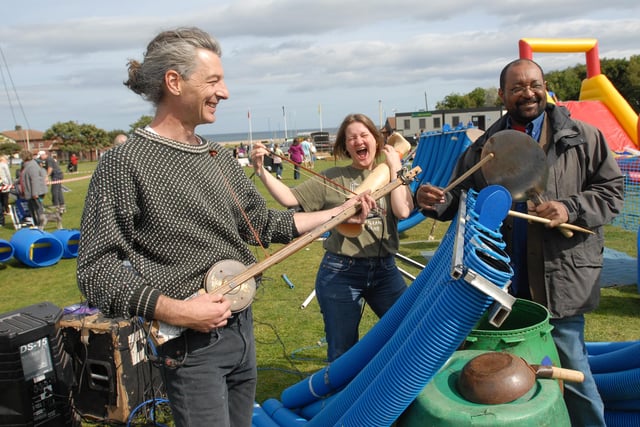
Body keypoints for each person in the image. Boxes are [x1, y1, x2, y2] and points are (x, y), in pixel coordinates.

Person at [76, 27, 374, 427]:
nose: (225, 92)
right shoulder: (123, 163)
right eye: (213, 80)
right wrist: (180, 311)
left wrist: (340, 213)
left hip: (242, 332)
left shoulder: (217, 157)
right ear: (174, 82)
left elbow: (265, 225)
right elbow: (95, 270)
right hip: (190, 346)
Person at [414, 58, 624, 427]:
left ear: (545, 86)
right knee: (501, 380)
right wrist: (437, 202)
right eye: (517, 87)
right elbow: (459, 198)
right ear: (502, 94)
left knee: (574, 376)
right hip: (501, 283)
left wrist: (570, 208)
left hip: (560, 280)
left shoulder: (582, 137)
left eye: (534, 84)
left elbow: (612, 192)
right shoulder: (484, 148)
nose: (528, 93)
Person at [251, 113, 414, 361]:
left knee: (408, 330)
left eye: (364, 135)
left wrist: (396, 168)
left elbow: (403, 211)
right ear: (346, 145)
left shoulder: (393, 172)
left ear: (375, 140)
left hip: (385, 270)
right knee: (342, 350)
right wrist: (262, 171)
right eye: (351, 138)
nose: (358, 141)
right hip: (341, 271)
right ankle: (338, 398)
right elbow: (289, 199)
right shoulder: (333, 177)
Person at [18, 150, 48, 229]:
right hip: (30, 192)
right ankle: (36, 224)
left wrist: (35, 193)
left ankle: (41, 225)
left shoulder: (32, 166)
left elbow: (35, 180)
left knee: (38, 210)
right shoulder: (27, 165)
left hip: (35, 192)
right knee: (32, 209)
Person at [0, 155, 12, 225]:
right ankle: (6, 210)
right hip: (5, 184)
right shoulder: (4, 165)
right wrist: (10, 184)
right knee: (5, 198)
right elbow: (8, 175)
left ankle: (2, 214)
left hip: (1, 184)